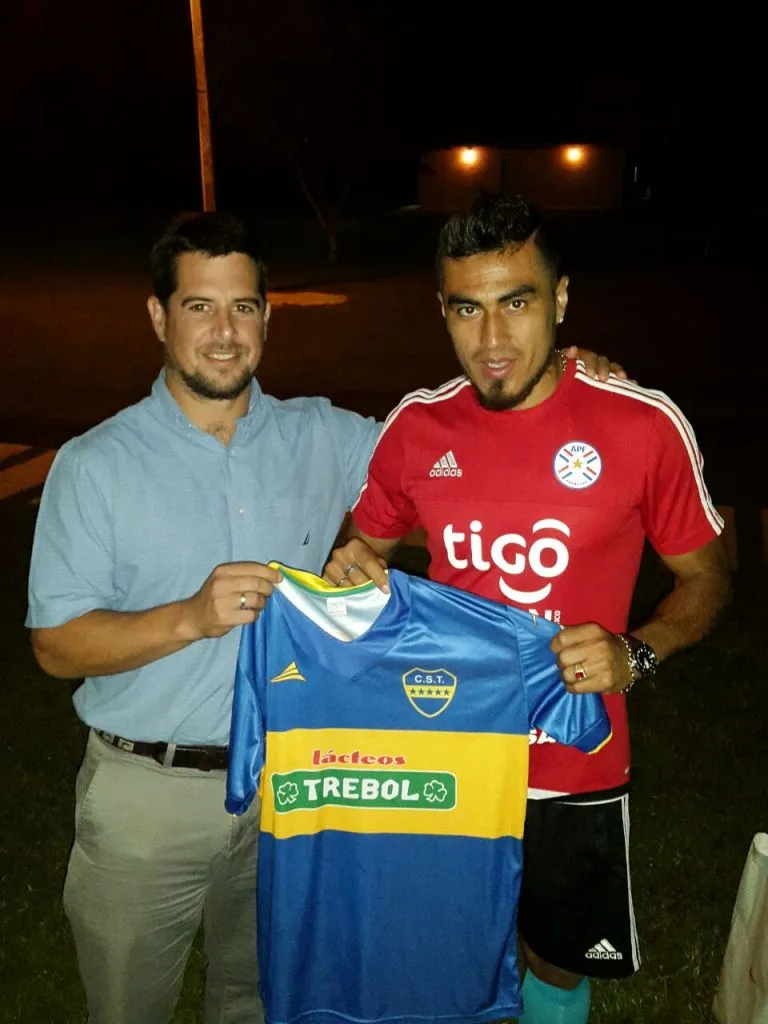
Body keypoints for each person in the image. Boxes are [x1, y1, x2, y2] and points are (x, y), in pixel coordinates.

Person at [25, 210, 618, 1024]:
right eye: (200, 307)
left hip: (296, 787)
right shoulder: (95, 466)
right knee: (128, 1005)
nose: (225, 332)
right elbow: (56, 646)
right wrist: (191, 618)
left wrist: (567, 378)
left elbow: (463, 452)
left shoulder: (322, 435)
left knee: (260, 998)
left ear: (268, 317)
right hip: (148, 795)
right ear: (160, 317)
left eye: (244, 307)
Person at [324, 193, 732, 1024]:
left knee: (553, 955)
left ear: (563, 300)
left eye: (518, 302)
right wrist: (353, 577)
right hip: (441, 750)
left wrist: (637, 652)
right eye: (467, 309)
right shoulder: (418, 426)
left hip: (571, 760)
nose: (494, 340)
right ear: (442, 310)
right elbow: (362, 550)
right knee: (443, 944)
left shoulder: (642, 426)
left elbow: (709, 580)